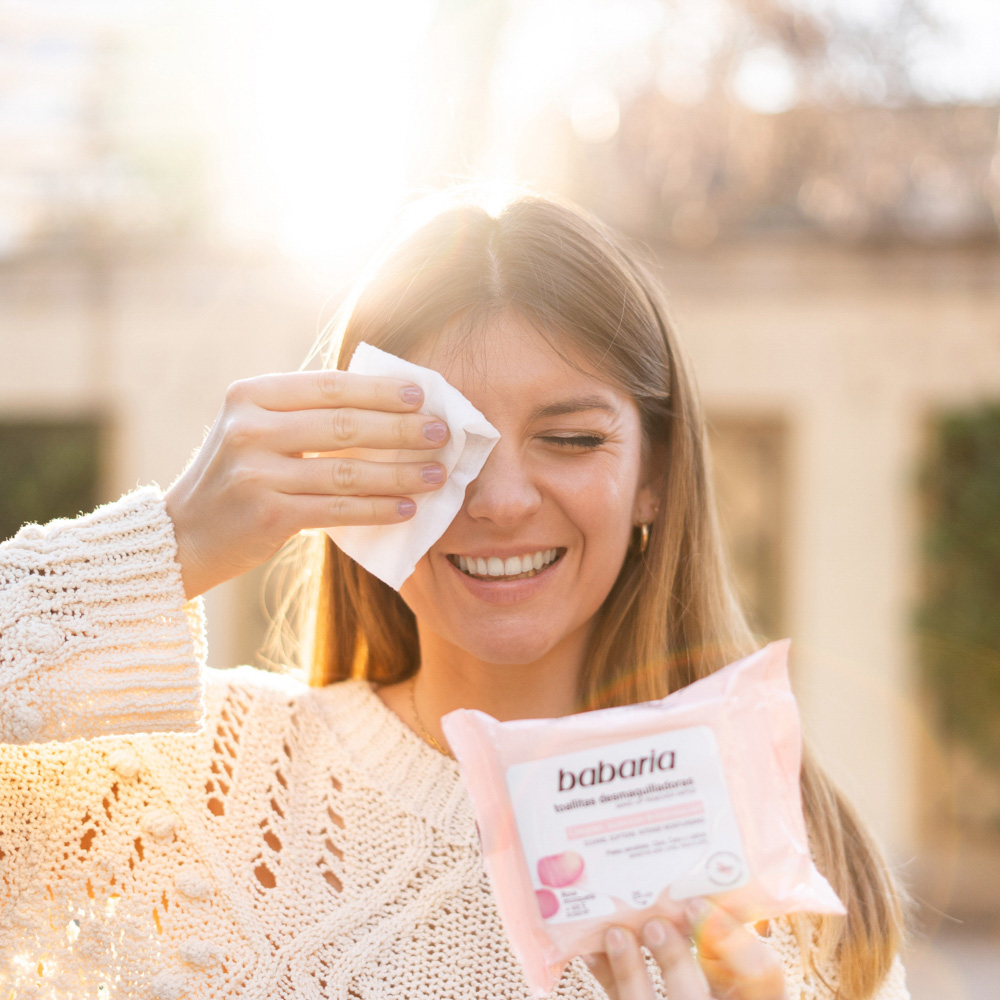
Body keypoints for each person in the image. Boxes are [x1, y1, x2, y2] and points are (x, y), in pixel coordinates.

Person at [0, 193, 908, 1000]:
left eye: (573, 440)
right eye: (446, 443)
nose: (504, 500)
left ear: (655, 476)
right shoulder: (183, 792)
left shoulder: (790, 872)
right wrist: (172, 544)